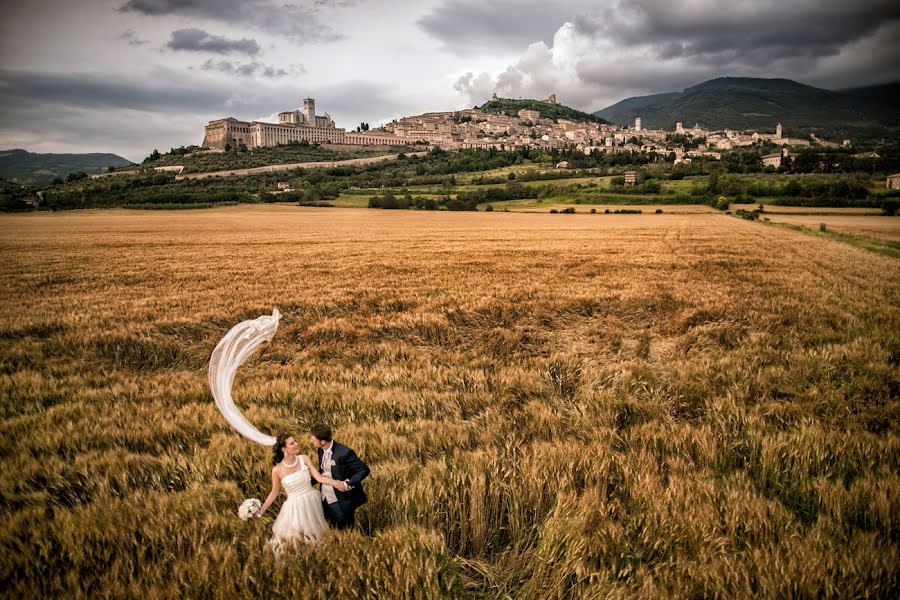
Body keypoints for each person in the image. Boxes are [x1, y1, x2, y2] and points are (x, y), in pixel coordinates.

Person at [254, 432, 347, 552]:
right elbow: (274, 493)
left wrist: (338, 483)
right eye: (292, 443)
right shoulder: (277, 470)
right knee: (295, 539)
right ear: (284, 449)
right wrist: (260, 511)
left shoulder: (304, 459)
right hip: (295, 508)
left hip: (312, 502)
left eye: (295, 441)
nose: (296, 444)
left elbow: (319, 478)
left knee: (317, 535)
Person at [309, 422, 370, 530]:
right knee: (329, 527)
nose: (311, 441)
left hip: (342, 500)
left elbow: (364, 469)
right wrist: (306, 482)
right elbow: (323, 471)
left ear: (322, 441)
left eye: (313, 439)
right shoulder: (320, 450)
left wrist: (347, 484)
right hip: (324, 497)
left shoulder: (345, 453)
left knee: (346, 530)